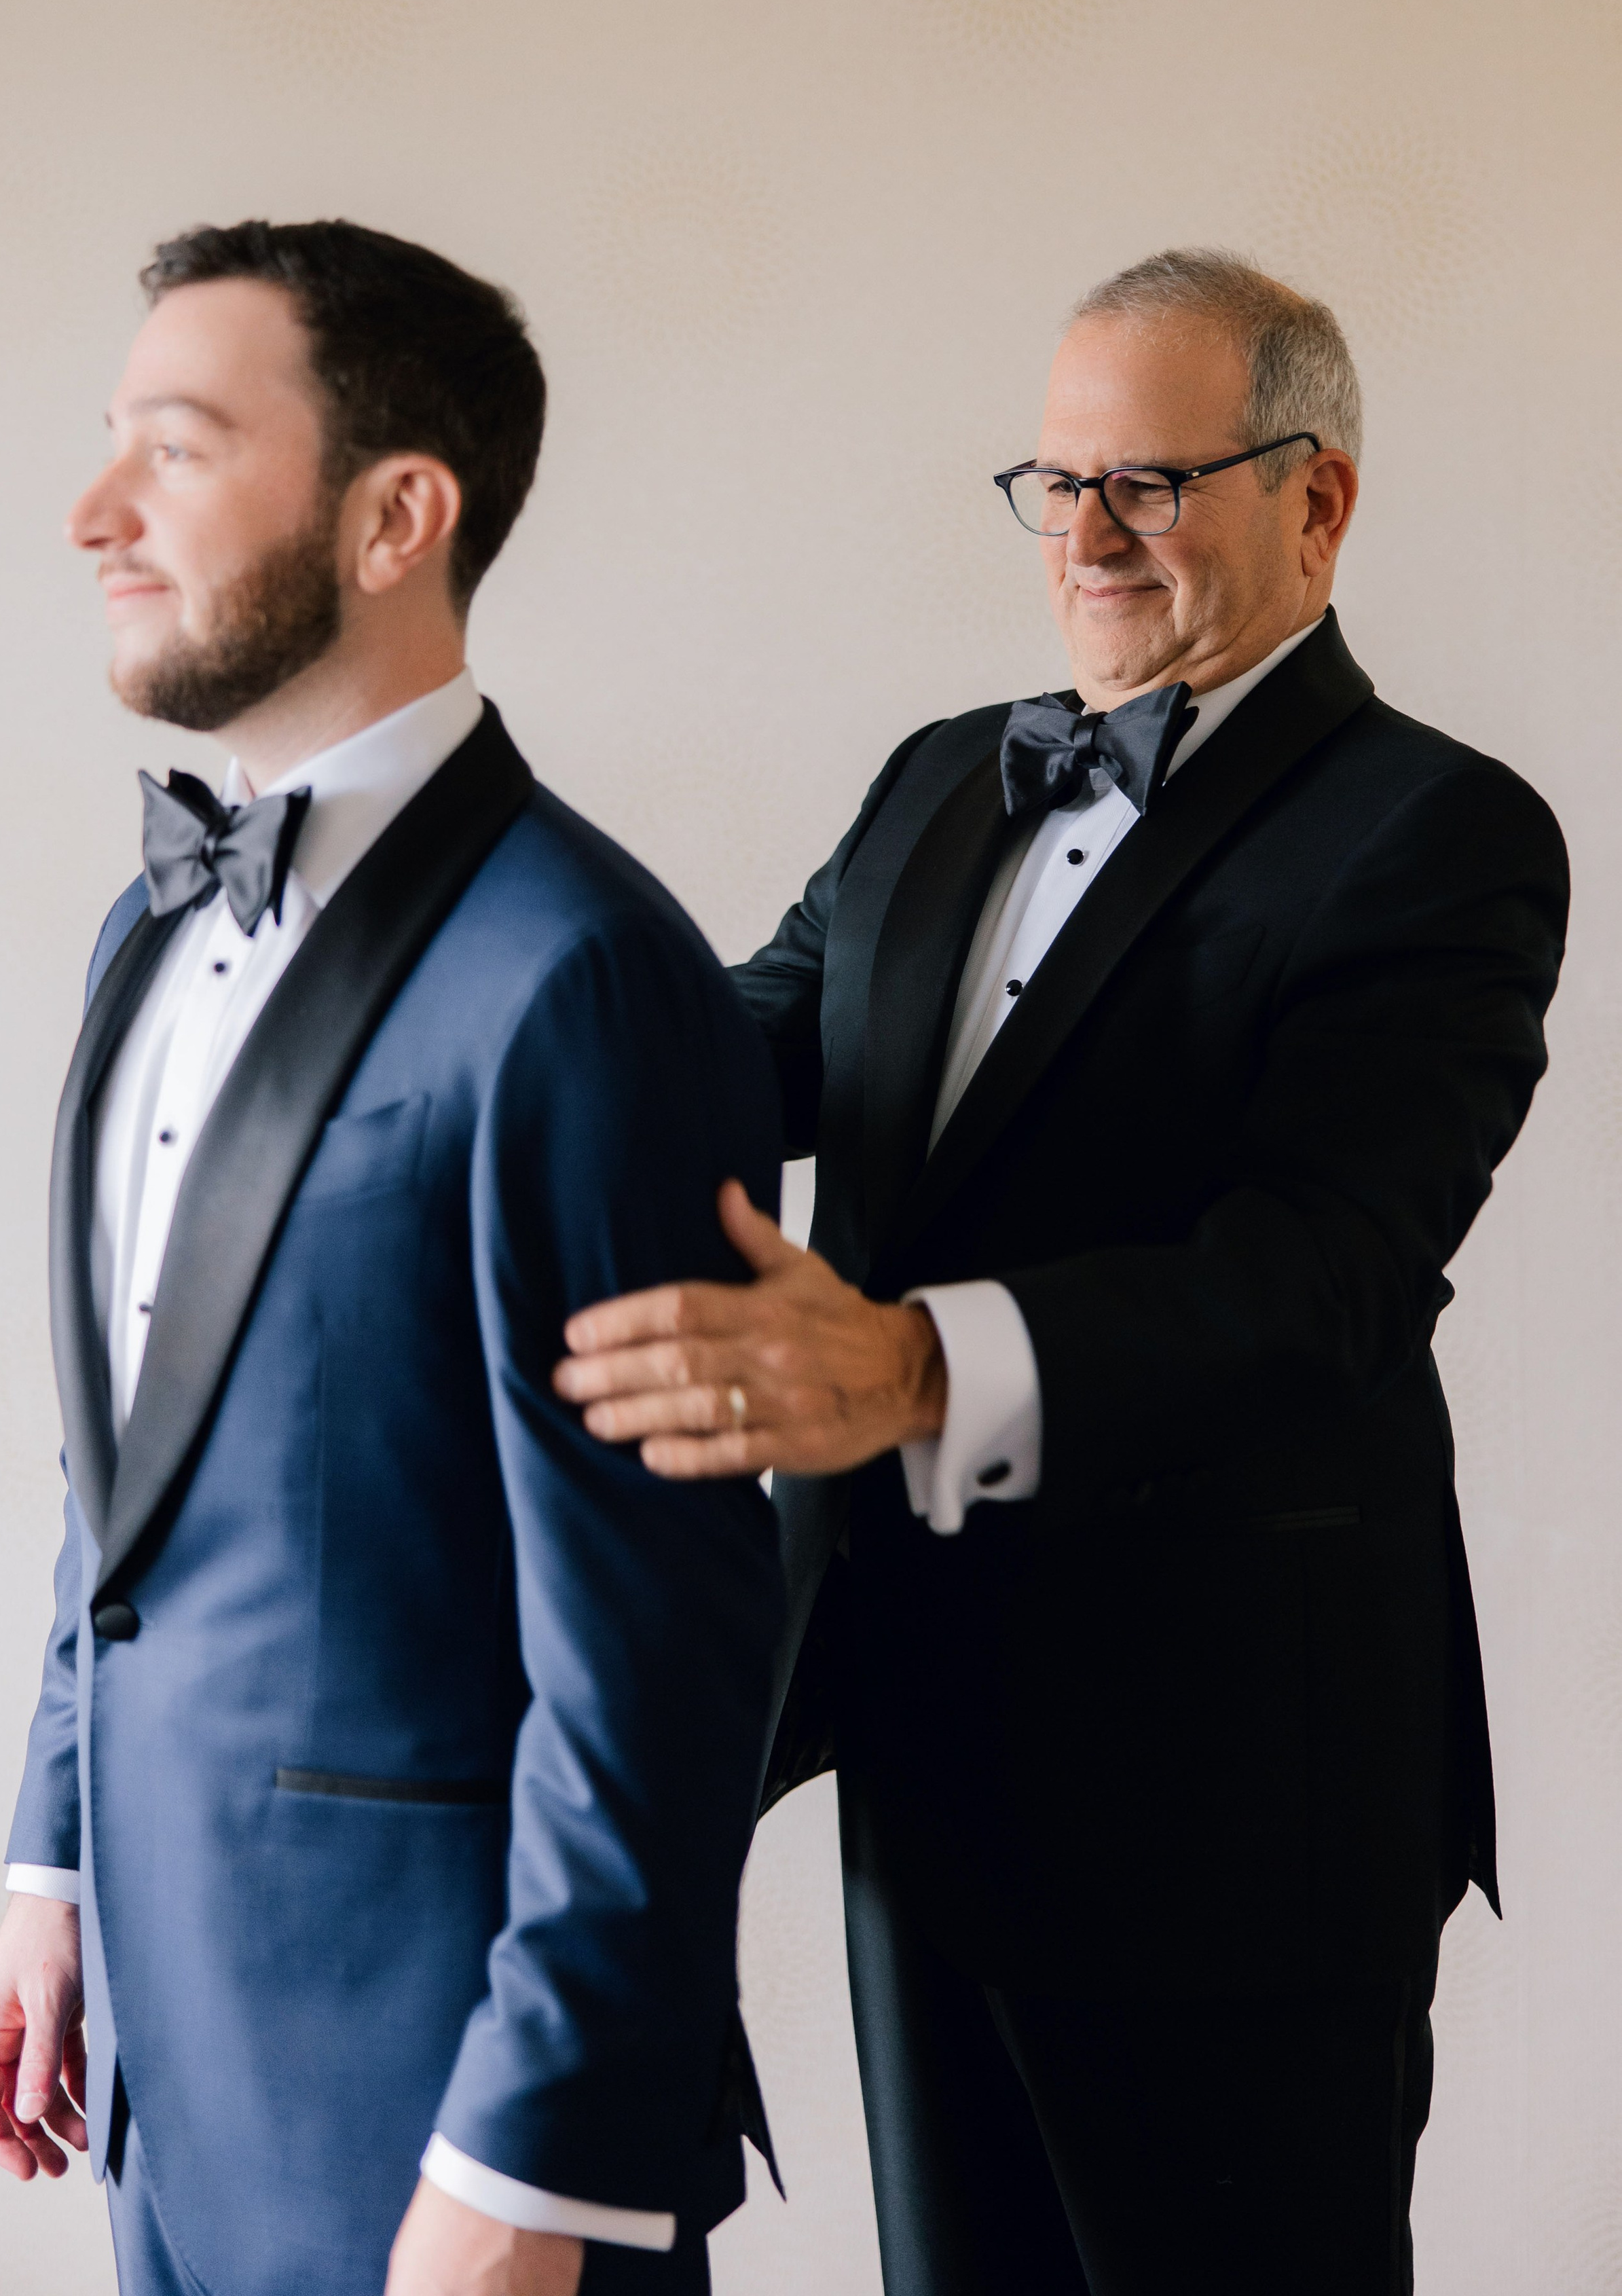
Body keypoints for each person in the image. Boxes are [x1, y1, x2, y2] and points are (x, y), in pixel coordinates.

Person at [553, 249, 1570, 2296]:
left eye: (1153, 484)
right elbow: (726, 1055)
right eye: (1059, 481)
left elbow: (1327, 1275)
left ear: (1320, 500)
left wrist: (918, 1368)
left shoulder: (1441, 831)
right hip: (916, 1721)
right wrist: (449, 1052)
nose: (1089, 536)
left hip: (1242, 1779)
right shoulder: (943, 775)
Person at [0, 219, 784, 2296]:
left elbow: (661, 1651)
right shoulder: (145, 930)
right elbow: (126, 1485)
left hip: (436, 2117)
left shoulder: (578, 976)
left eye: (174, 447)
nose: (93, 514)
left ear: (396, 512)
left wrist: (538, 2167)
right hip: (161, 2060)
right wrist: (55, 1860)